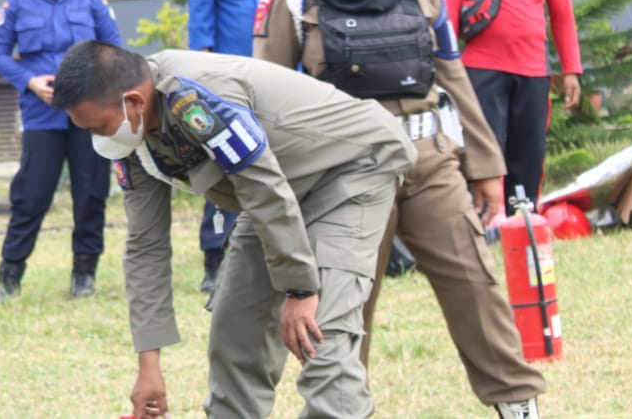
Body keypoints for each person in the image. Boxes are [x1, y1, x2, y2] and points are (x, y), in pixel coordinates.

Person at [254, 0, 546, 419]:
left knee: (477, 289)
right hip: (343, 175)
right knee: (342, 312)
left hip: (429, 159)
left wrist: (485, 166)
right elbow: (268, 93)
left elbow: (453, 75)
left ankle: (516, 405)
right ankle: (340, 410)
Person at [52, 40, 414, 419]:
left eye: (99, 127)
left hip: (348, 171)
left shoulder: (196, 96)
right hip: (278, 193)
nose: (99, 139)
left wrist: (301, 288)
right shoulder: (132, 136)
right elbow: (146, 246)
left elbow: (263, 189)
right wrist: (149, 366)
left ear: (134, 102)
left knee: (322, 339)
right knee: (236, 338)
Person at [0, 0, 122, 302]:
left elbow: (113, 50)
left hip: (89, 114)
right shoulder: (16, 5)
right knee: (31, 196)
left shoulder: (93, 2)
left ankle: (85, 275)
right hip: (41, 116)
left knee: (91, 193)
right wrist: (29, 81)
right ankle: (9, 276)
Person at [187, 0, 305, 292]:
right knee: (222, 165)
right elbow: (201, 18)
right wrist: (202, 74)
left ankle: (281, 253)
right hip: (228, 79)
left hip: (279, 76)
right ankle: (214, 260)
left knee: (281, 165)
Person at [446, 0, 582, 213]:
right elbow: (448, 9)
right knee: (485, 150)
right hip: (481, 69)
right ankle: (485, 222)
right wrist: (444, 68)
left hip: (533, 71)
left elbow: (563, 16)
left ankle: (523, 221)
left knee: (529, 150)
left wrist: (571, 70)